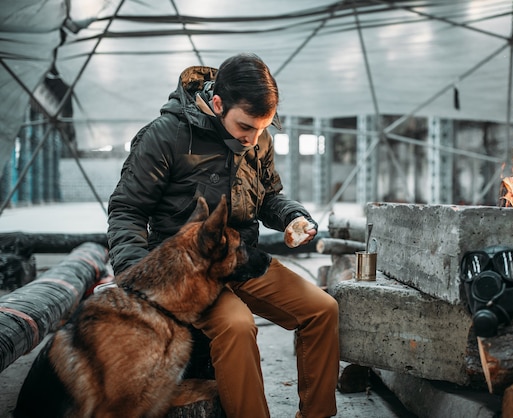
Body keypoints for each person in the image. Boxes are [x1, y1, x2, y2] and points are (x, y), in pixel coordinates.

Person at [107, 53, 339, 418]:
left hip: (242, 258)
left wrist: (293, 216)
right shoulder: (165, 136)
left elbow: (268, 195)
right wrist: (136, 275)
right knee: (236, 326)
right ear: (217, 104)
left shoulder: (257, 138)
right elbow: (127, 209)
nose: (254, 138)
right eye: (246, 127)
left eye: (263, 128)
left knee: (322, 310)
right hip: (188, 272)